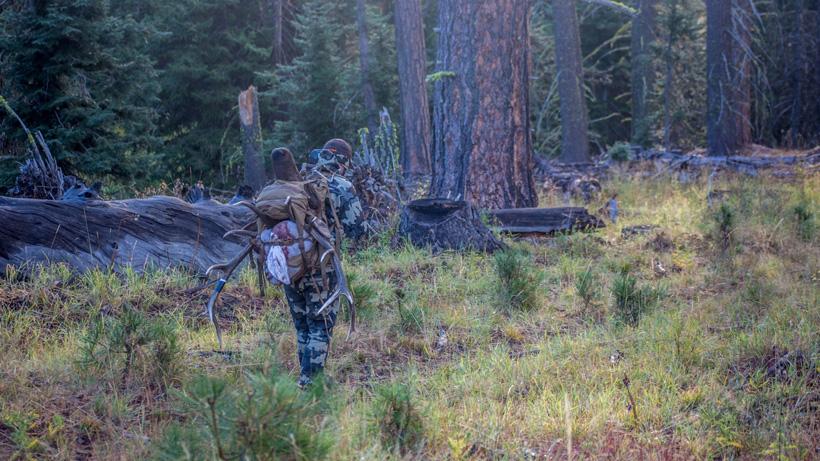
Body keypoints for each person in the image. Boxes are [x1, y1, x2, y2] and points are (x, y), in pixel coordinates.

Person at [271, 147, 339, 388]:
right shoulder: (311, 190)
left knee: (302, 325)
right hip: (317, 270)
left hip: (289, 271)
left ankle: (305, 375)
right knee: (320, 325)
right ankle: (312, 381)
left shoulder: (270, 195)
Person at [304, 138, 368, 242]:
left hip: (300, 247)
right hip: (327, 250)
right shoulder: (344, 186)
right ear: (342, 163)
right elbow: (358, 231)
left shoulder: (304, 180)